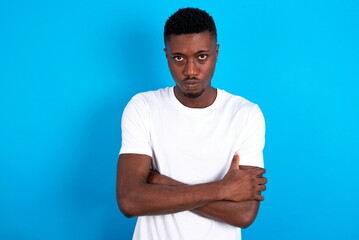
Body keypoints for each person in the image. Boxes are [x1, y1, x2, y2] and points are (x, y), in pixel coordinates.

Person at [116, 7, 267, 240]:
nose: (190, 70)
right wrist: (223, 189)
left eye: (201, 56)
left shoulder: (245, 114)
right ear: (166, 55)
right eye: (179, 58)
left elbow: (244, 214)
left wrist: (162, 182)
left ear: (216, 52)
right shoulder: (143, 107)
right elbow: (130, 200)